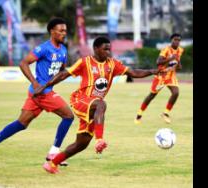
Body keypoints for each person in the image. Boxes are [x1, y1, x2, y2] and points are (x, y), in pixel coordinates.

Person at [35, 36, 159, 174]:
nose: (108, 51)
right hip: (80, 100)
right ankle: (100, 140)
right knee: (101, 104)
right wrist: (45, 86)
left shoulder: (113, 64)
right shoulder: (85, 62)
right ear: (96, 49)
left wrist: (151, 71)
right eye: (105, 49)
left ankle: (52, 164)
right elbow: (64, 74)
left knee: (81, 144)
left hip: (93, 107)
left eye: (109, 49)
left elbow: (133, 72)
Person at [0, 17, 74, 167]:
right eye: (61, 31)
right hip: (42, 93)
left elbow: (61, 71)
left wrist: (62, 75)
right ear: (52, 31)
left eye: (65, 31)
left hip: (40, 92)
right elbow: (23, 63)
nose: (64, 33)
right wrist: (36, 83)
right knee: (68, 116)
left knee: (21, 123)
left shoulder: (63, 50)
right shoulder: (43, 48)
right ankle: (54, 152)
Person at [134, 33, 184, 124]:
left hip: (171, 76)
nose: (177, 42)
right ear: (171, 40)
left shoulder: (180, 50)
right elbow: (158, 62)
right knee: (151, 96)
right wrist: (170, 58)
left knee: (176, 92)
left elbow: (178, 62)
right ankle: (139, 115)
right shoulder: (166, 50)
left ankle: (165, 113)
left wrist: (178, 65)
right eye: (175, 40)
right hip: (161, 76)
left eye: (178, 40)